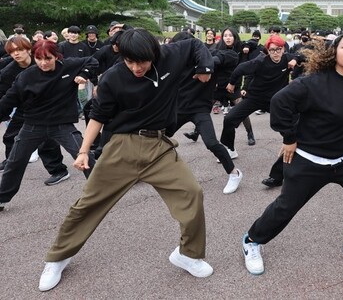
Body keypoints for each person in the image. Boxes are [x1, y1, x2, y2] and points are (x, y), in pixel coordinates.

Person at [37, 28, 215, 292]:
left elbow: (194, 45)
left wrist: (205, 67)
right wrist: (84, 150)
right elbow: (98, 116)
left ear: (154, 53)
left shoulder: (171, 56)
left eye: (141, 62)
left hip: (159, 146)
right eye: (129, 61)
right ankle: (58, 257)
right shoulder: (113, 78)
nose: (135, 68)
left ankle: (188, 254)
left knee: (192, 192)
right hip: (122, 145)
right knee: (88, 202)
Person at [241, 33, 343, 275]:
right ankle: (251, 241)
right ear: (334, 53)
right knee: (285, 207)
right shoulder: (313, 82)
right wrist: (289, 139)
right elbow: (279, 103)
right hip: (310, 159)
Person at [0, 40, 97, 211]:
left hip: (62, 125)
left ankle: (103, 191)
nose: (43, 63)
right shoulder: (26, 76)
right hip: (32, 126)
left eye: (48, 58)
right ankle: (2, 198)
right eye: (39, 59)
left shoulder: (68, 66)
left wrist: (85, 73)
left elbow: (93, 60)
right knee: (14, 162)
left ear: (56, 56)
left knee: (85, 155)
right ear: (34, 57)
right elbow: (9, 99)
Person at [166, 32, 242, 194]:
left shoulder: (208, 55)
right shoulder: (173, 61)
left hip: (199, 108)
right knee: (160, 138)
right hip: (178, 109)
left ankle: (234, 174)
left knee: (212, 143)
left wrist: (207, 65)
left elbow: (232, 56)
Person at [0, 37, 69, 184]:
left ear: (28, 50)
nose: (16, 54)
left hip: (47, 108)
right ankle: (11, 163)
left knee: (46, 141)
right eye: (12, 52)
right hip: (24, 108)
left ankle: (59, 170)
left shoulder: (41, 59)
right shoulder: (8, 72)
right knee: (9, 136)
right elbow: (4, 95)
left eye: (19, 50)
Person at [219, 35, 296, 157]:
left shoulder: (288, 59)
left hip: (275, 101)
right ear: (268, 51)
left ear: (283, 49)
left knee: (292, 122)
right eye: (272, 50)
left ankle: (296, 147)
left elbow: (304, 57)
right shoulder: (260, 62)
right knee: (229, 119)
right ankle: (229, 149)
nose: (275, 53)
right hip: (255, 98)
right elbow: (240, 68)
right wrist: (232, 83)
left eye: (278, 49)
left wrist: (296, 60)